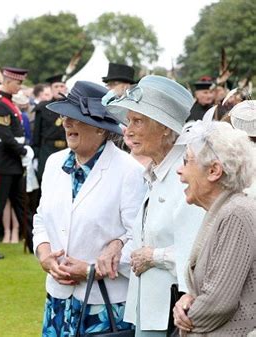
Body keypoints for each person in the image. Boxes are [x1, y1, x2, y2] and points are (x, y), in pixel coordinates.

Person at [33, 81, 146, 336]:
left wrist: (91, 269)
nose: (67, 123)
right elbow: (41, 218)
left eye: (75, 118)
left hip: (104, 305)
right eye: (66, 116)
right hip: (58, 299)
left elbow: (139, 240)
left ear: (100, 130)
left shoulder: (130, 172)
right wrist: (44, 254)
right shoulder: (53, 163)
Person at [105, 75, 206, 337]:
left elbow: (202, 253)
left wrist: (153, 256)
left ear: (164, 128)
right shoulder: (155, 172)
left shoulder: (185, 176)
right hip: (150, 311)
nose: (128, 130)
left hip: (176, 315)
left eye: (138, 121)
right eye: (128, 121)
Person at [173, 121, 256, 336]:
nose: (179, 170)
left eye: (187, 161)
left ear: (214, 171)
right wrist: (187, 301)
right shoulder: (225, 210)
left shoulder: (236, 214)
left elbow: (219, 302)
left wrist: (185, 319)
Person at [0, 66, 34, 259]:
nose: (20, 87)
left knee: (23, 205)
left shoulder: (9, 104)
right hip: (3, 163)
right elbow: (5, 136)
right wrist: (23, 151)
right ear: (7, 81)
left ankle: (32, 242)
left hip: (13, 163)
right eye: (18, 83)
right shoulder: (0, 105)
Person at [32, 74, 68, 183]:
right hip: (47, 150)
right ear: (51, 89)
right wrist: (36, 155)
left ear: (65, 88)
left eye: (61, 86)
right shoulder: (43, 107)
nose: (59, 89)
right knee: (46, 182)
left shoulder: (71, 107)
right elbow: (36, 133)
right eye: (56, 87)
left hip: (66, 149)